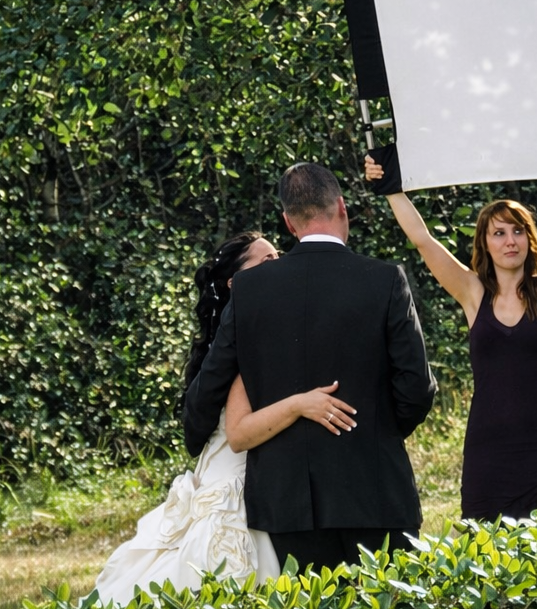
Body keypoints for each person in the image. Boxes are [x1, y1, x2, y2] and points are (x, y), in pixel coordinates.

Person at [184, 163, 436, 572]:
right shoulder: (385, 280)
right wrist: (373, 432)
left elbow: (211, 379)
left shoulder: (249, 290)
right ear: (341, 206)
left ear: (288, 221)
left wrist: (195, 432)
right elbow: (417, 388)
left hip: (289, 502)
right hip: (374, 491)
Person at [365, 151, 537, 520]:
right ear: (484, 243)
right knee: (486, 553)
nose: (510, 240)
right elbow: (423, 239)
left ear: (529, 240)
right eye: (499, 233)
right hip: (487, 449)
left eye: (518, 231)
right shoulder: (472, 293)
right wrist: (389, 187)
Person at [94, 232, 352, 603]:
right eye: (266, 261)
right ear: (235, 283)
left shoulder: (270, 330)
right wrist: (299, 404)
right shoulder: (239, 343)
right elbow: (226, 430)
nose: (280, 265)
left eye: (279, 255)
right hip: (233, 473)